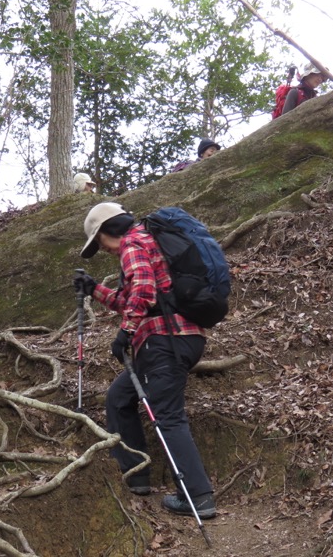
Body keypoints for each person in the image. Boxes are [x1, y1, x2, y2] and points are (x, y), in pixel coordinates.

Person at [74, 202, 216, 519]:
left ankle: (199, 497)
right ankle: (137, 474)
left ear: (109, 230)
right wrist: (94, 289)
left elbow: (143, 291)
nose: (105, 250)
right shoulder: (145, 243)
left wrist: (125, 333)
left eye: (100, 243)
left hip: (164, 341)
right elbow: (130, 299)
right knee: (119, 398)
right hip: (175, 339)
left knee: (168, 417)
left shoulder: (132, 241)